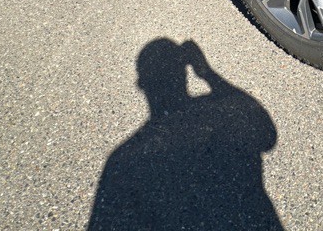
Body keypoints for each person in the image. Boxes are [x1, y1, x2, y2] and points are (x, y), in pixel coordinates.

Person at [87, 39, 282, 230]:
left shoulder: (123, 159)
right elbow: (266, 133)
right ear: (184, 74)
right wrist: (207, 73)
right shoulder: (216, 112)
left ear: (141, 84)